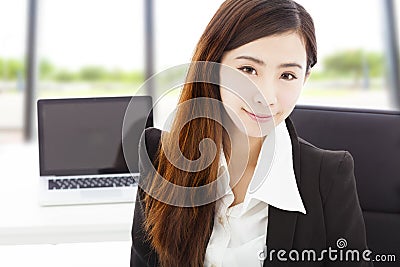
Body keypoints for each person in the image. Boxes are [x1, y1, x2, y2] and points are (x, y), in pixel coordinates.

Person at [130, 0, 372, 266]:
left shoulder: (329, 176)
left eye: (288, 75)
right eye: (248, 70)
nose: (266, 97)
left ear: (305, 79)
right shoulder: (160, 155)